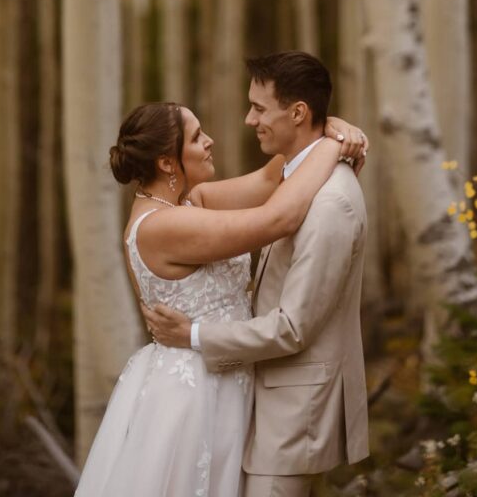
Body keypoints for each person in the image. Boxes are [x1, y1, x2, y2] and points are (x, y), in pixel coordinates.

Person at [74, 90, 366, 497]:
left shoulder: (189, 202)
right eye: (196, 138)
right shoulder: (163, 228)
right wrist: (335, 145)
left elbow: (272, 177)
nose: (209, 140)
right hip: (194, 393)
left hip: (229, 379)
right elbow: (276, 218)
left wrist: (326, 126)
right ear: (166, 161)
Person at [145, 51, 369, 497]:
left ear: (299, 112)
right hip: (243, 406)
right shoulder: (293, 180)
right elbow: (268, 208)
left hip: (290, 417)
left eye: (259, 108)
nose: (249, 120)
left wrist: (192, 334)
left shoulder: (328, 203)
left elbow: (291, 326)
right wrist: (333, 133)